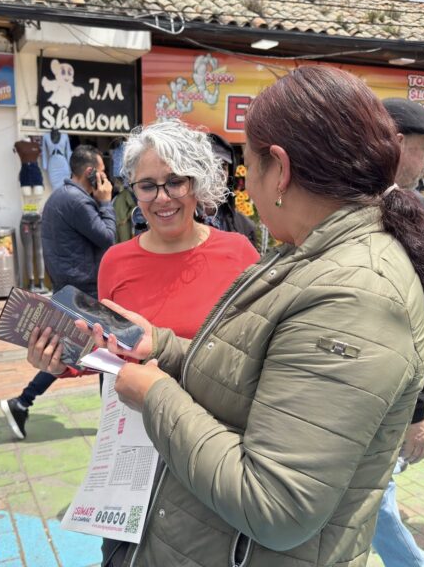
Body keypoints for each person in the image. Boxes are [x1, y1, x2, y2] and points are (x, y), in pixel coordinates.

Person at [27, 66, 424, 566]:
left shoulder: (351, 291)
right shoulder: (306, 254)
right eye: (147, 186)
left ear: (279, 167)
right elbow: (247, 367)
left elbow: (277, 504)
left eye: (247, 167)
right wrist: (160, 347)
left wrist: (156, 391)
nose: (162, 197)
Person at [97, 120, 260, 562]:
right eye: (147, 186)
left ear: (198, 183)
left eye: (175, 182)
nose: (162, 198)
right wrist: (61, 359)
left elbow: (252, 358)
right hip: (133, 448)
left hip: (210, 444)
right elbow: (109, 352)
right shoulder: (115, 262)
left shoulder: (239, 253)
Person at [369, 97, 424, 567]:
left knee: (375, 498)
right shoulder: (355, 201)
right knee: (373, 499)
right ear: (398, 145)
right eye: (423, 150)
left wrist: (418, 404)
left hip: (389, 387)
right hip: (359, 382)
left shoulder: (417, 208)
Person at [0, 145, 116, 440]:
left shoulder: (59, 198)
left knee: (84, 354)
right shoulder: (78, 201)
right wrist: (106, 202)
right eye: (101, 173)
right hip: (83, 290)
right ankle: (23, 402)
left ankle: (23, 402)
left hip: (69, 287)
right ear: (91, 172)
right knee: (100, 354)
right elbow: (107, 237)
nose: (104, 179)